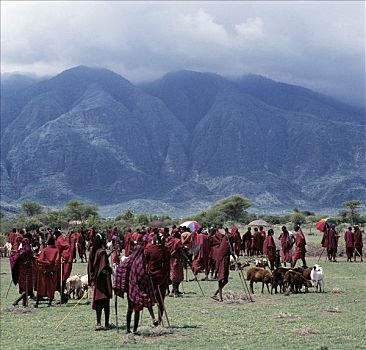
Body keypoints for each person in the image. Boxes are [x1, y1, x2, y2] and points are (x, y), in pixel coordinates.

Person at [114, 240, 158, 334]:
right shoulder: (140, 263)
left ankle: (128, 329)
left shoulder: (128, 261)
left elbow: (120, 269)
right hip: (137, 290)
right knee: (137, 310)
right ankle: (134, 330)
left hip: (130, 290)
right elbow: (142, 275)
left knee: (129, 309)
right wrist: (148, 276)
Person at [144, 230, 170, 325]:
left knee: (148, 298)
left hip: (151, 278)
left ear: (153, 241)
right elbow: (167, 263)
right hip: (162, 278)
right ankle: (159, 321)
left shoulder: (149, 249)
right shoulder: (165, 250)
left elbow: (145, 261)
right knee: (161, 300)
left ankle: (153, 318)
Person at [88, 233, 113, 331]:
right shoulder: (102, 252)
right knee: (105, 302)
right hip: (103, 280)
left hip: (96, 280)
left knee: (98, 301)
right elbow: (103, 267)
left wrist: (92, 278)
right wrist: (110, 270)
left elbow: (90, 266)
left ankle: (98, 323)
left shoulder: (92, 250)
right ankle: (106, 323)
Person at [34, 235, 60, 307]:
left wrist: (43, 270)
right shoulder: (57, 251)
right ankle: (50, 303)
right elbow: (57, 262)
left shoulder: (44, 250)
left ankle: (37, 303)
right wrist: (53, 271)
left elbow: (39, 260)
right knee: (51, 287)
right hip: (52, 271)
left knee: (41, 286)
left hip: (43, 271)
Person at [211, 229, 236, 302]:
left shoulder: (227, 241)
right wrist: (234, 257)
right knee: (221, 279)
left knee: (226, 280)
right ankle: (220, 297)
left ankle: (215, 294)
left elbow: (231, 251)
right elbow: (230, 251)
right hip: (222, 261)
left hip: (226, 261)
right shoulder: (226, 243)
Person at [10, 237, 35, 307]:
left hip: (22, 270)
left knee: (25, 287)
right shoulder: (27, 248)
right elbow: (24, 255)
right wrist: (26, 262)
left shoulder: (21, 249)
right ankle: (17, 301)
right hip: (26, 270)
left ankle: (24, 304)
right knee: (27, 288)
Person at [165, 233, 185, 297]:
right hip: (176, 260)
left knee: (176, 276)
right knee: (175, 276)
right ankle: (175, 292)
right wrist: (186, 258)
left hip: (171, 260)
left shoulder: (169, 241)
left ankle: (174, 290)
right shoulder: (177, 242)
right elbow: (181, 251)